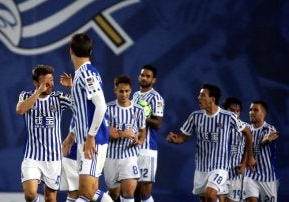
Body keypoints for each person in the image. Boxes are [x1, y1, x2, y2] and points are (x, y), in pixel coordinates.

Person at [166, 83, 254, 202]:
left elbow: (248, 132)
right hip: (201, 168)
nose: (199, 97)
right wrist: (174, 139)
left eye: (202, 95)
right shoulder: (195, 116)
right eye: (199, 95)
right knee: (206, 199)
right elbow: (182, 137)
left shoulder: (228, 116)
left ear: (212, 99)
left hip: (220, 167)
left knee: (210, 195)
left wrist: (250, 157)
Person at [16, 65, 73, 202]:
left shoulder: (59, 98)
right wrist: (37, 93)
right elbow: (20, 110)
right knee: (30, 195)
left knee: (50, 197)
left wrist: (72, 87)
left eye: (51, 80)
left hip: (53, 158)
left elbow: (82, 105)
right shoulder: (26, 95)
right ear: (36, 83)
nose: (50, 84)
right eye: (45, 82)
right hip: (32, 157)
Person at [68, 33, 110, 202]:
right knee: (91, 192)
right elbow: (81, 110)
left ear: (70, 50)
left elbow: (101, 105)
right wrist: (71, 135)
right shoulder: (81, 73)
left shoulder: (87, 74)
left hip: (94, 139)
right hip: (84, 139)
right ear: (91, 51)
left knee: (86, 191)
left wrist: (91, 136)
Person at [104, 75, 147, 202]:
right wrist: (124, 134)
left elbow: (142, 130)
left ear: (131, 91)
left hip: (130, 156)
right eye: (121, 91)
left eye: (127, 91)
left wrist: (140, 141)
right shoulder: (107, 109)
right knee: (113, 194)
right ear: (115, 90)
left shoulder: (139, 110)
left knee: (128, 192)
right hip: (111, 156)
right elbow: (107, 133)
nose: (124, 94)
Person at [131, 64, 165, 202]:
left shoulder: (157, 98)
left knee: (144, 192)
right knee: (131, 189)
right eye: (142, 75)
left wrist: (141, 117)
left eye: (148, 76)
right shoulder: (135, 95)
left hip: (147, 149)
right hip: (132, 148)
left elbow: (158, 124)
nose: (144, 78)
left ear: (154, 80)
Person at [243, 100, 279, 202]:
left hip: (268, 177)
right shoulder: (247, 130)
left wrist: (265, 140)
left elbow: (268, 138)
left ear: (264, 113)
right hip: (250, 175)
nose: (251, 112)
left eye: (255, 110)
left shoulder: (270, 129)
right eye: (250, 110)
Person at [222, 97, 255, 202]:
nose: (235, 113)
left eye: (238, 111)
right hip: (218, 170)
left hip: (235, 172)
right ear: (225, 110)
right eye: (232, 110)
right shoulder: (216, 126)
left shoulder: (246, 128)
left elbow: (249, 148)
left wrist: (244, 163)